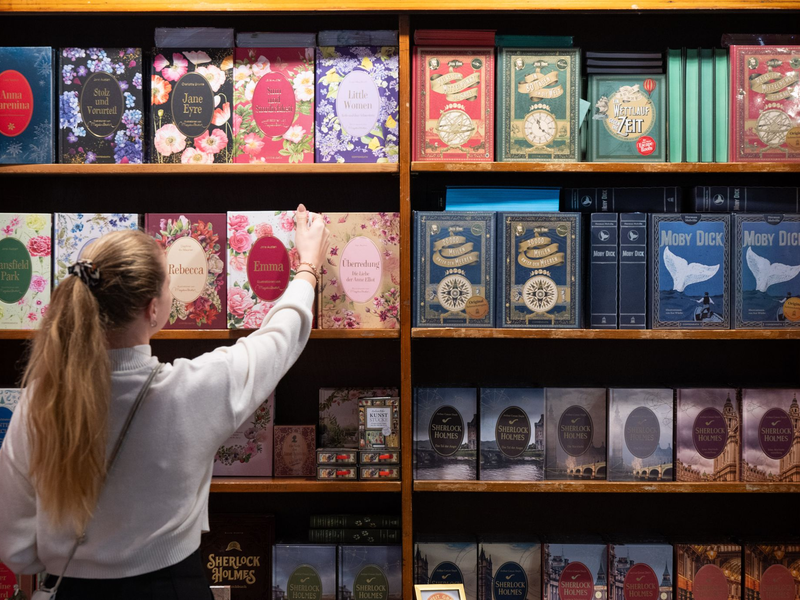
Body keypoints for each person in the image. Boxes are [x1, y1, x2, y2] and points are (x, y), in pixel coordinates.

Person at [0, 205, 330, 599]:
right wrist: (308, 266)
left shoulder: (40, 400)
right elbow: (279, 339)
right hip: (174, 588)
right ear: (153, 309)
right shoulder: (192, 389)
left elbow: (16, 548)